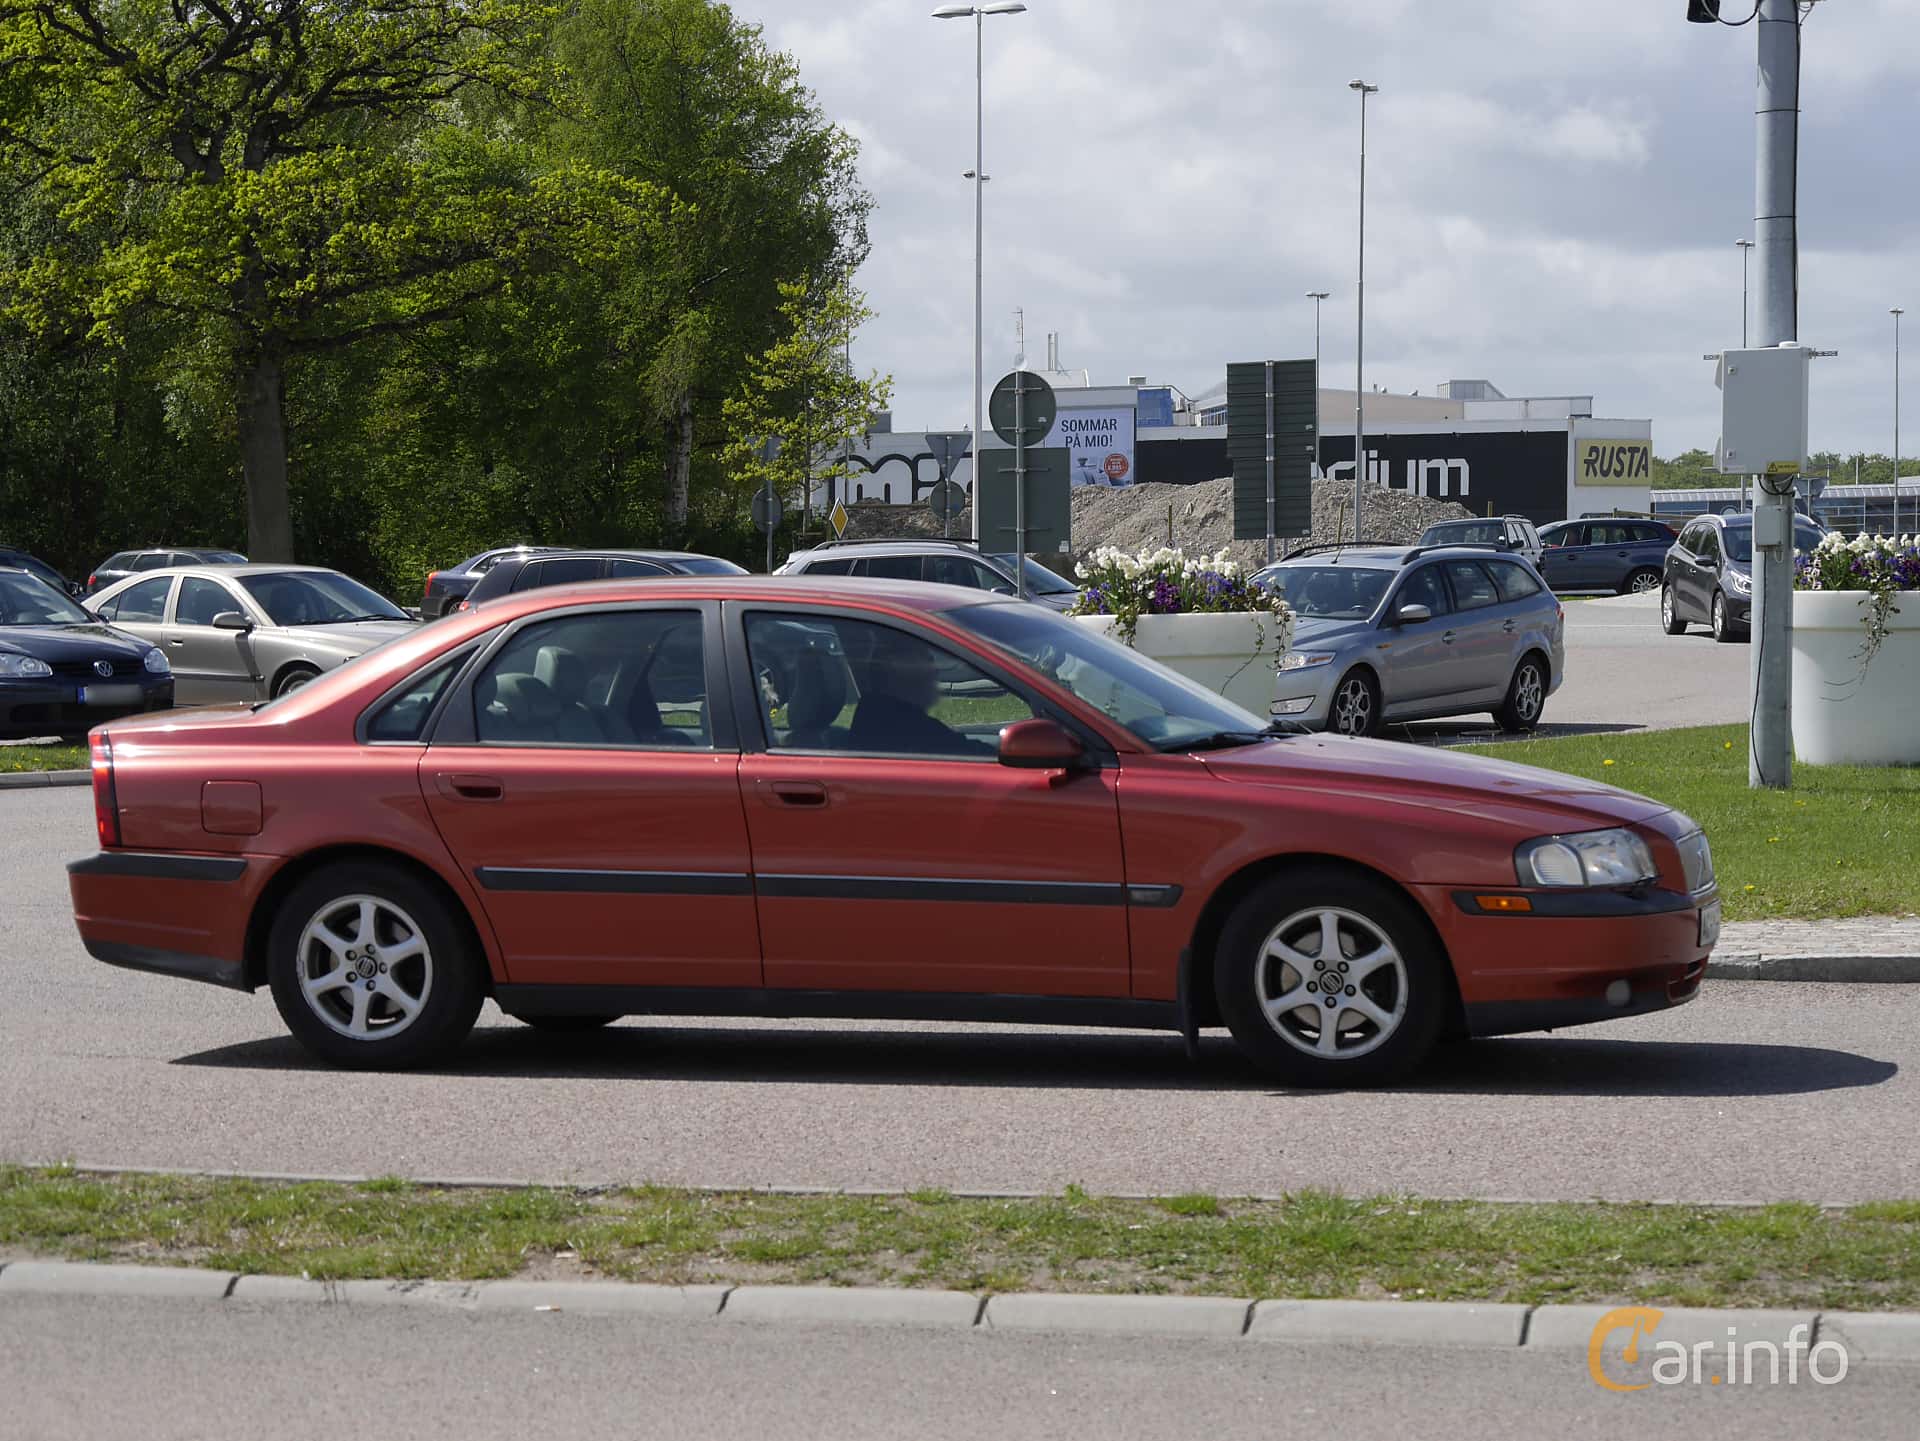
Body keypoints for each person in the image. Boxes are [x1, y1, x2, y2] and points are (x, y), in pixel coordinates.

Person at [847, 632, 987, 756]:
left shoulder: (878, 715)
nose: (935, 670)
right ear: (896, 665)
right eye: (927, 659)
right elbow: (963, 751)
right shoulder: (901, 727)